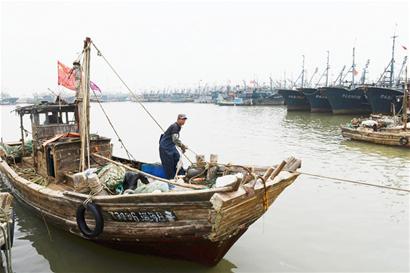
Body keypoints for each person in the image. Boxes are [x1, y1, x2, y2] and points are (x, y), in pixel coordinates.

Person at [159, 114, 188, 179]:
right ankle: (171, 179)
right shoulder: (175, 126)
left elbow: (174, 140)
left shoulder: (178, 127)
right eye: (182, 119)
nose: (183, 121)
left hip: (171, 147)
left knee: (177, 160)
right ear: (178, 119)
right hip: (165, 148)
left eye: (184, 120)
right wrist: (182, 146)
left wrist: (181, 146)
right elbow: (175, 139)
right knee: (169, 165)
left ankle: (181, 176)